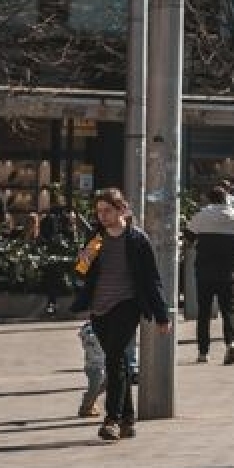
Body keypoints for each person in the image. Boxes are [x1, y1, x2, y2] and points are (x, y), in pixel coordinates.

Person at [68, 189, 174, 441]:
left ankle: (111, 419)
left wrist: (161, 315)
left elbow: (151, 280)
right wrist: (83, 261)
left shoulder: (137, 240)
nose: (102, 216)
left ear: (121, 210)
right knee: (118, 361)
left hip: (127, 305)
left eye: (107, 210)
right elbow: (81, 272)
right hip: (99, 307)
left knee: (114, 358)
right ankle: (128, 418)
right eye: (99, 211)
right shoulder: (96, 238)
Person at [186, 185, 234, 365]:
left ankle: (203, 352)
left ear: (209, 199)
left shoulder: (201, 215)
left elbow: (189, 236)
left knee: (204, 313)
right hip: (228, 273)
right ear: (226, 199)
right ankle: (231, 342)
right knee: (228, 311)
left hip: (205, 272)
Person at [76, 317, 138, 418]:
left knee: (107, 384)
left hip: (106, 364)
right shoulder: (90, 328)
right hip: (94, 366)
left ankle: (90, 403)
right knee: (95, 386)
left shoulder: (114, 327)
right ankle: (86, 406)